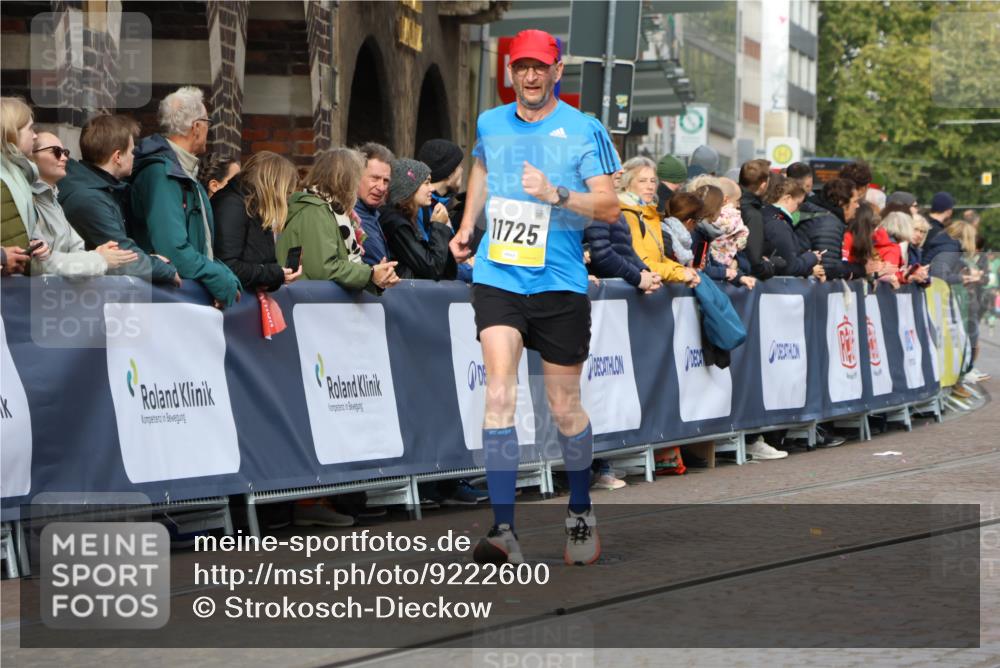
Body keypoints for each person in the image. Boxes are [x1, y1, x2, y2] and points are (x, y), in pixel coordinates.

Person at [448, 29, 622, 566]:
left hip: (559, 281)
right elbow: (481, 165)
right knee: (498, 394)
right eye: (521, 67)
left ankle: (579, 511)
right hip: (500, 275)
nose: (529, 76)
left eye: (539, 67)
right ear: (511, 71)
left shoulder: (581, 129)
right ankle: (503, 529)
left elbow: (611, 206)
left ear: (556, 70)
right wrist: (467, 224)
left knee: (563, 407)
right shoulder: (490, 122)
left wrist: (557, 193)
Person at [130, 86, 242, 307]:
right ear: (197, 127)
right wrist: (220, 279)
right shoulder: (163, 173)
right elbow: (173, 249)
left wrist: (225, 276)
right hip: (167, 305)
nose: (208, 129)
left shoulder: (179, 171)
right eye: (208, 123)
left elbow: (200, 245)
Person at [58, 114, 180, 285]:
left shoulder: (104, 188)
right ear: (117, 157)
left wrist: (149, 260)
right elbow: (124, 258)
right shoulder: (89, 199)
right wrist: (166, 270)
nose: (133, 156)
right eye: (131, 151)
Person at [278, 147, 399, 292]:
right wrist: (370, 274)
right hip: (311, 305)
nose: (357, 185)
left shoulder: (332, 210)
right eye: (356, 177)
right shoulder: (316, 211)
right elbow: (324, 268)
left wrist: (377, 278)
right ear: (344, 180)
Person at [29, 132, 138, 278]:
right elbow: (39, 262)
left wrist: (96, 256)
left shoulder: (52, 198)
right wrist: (99, 259)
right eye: (56, 152)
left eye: (65, 152)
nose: (64, 157)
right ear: (32, 157)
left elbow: (76, 249)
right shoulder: (29, 200)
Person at [212, 150, 302, 292]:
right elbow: (228, 266)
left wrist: (279, 276)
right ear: (274, 187)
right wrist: (275, 274)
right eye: (287, 192)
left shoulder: (255, 209)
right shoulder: (233, 205)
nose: (287, 199)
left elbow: (261, 262)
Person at [619, 158, 698, 286]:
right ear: (627, 183)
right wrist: (679, 274)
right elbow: (641, 262)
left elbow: (660, 257)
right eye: (642, 181)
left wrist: (681, 270)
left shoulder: (649, 212)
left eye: (653, 181)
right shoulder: (628, 213)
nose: (650, 186)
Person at [588, 160, 660, 293]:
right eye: (643, 180)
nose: (621, 170)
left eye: (653, 180)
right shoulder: (597, 203)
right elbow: (602, 254)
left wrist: (643, 270)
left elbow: (627, 249)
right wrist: (639, 278)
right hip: (607, 291)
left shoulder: (613, 204)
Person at [379, 158, 456, 280]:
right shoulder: (396, 224)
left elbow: (447, 272)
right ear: (409, 187)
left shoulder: (405, 219)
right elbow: (433, 268)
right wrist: (438, 227)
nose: (432, 188)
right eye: (426, 182)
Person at [416, 138, 477, 282]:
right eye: (458, 166)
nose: (462, 170)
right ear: (449, 173)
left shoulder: (441, 205)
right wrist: (470, 268)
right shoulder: (421, 209)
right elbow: (431, 263)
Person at [1, 96, 50, 273]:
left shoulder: (17, 174)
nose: (35, 135)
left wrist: (36, 242)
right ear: (11, 132)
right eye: (30, 129)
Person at [796, 177, 862, 280]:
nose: (857, 206)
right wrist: (861, 269)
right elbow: (828, 267)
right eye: (855, 201)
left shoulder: (816, 212)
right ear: (841, 202)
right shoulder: (828, 223)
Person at [760, 176, 822, 279]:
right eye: (798, 204)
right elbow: (790, 267)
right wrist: (811, 257)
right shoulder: (778, 224)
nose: (797, 210)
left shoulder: (766, 215)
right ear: (787, 198)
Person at [354, 142, 394, 266]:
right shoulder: (347, 215)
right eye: (375, 178)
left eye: (386, 181)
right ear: (356, 176)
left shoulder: (374, 215)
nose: (381, 187)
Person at [738, 158, 775, 279]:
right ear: (763, 185)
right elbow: (755, 263)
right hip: (743, 281)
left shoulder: (729, 203)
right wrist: (772, 265)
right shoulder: (753, 214)